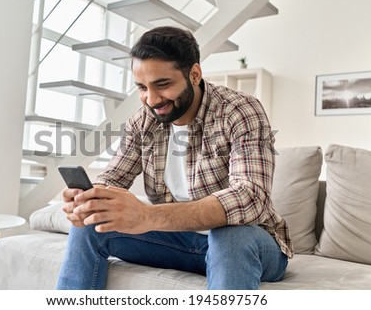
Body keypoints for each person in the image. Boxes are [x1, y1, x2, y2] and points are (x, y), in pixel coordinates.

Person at [57, 26, 293, 290]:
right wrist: (89, 201)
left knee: (230, 236)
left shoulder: (239, 110)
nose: (151, 99)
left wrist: (148, 216)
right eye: (142, 88)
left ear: (194, 74)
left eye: (163, 85)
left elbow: (250, 198)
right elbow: (114, 176)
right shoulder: (143, 121)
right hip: (178, 242)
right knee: (90, 225)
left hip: (251, 244)